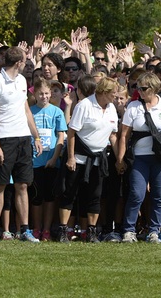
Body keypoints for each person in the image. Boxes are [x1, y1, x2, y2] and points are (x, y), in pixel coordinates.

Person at [0, 47, 43, 243]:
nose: (26, 64)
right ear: (19, 63)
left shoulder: (23, 81)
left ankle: (25, 230)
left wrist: (37, 137)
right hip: (4, 139)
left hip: (23, 139)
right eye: (25, 61)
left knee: (22, 185)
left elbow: (25, 110)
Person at [115, 72, 161, 243]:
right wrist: (120, 158)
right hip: (139, 157)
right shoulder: (133, 107)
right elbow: (124, 135)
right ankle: (129, 230)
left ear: (153, 88)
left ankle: (154, 231)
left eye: (143, 88)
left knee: (159, 195)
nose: (140, 91)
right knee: (137, 193)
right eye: (138, 88)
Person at [56, 77, 120, 243]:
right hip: (79, 157)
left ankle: (91, 231)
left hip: (98, 159)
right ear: (104, 92)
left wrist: (120, 158)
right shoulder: (84, 105)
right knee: (69, 192)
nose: (116, 95)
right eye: (113, 92)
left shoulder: (112, 108)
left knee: (95, 195)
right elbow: (71, 133)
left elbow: (113, 136)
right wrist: (70, 157)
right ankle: (63, 230)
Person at [29, 79, 68, 242]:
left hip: (52, 160)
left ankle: (46, 229)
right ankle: (36, 228)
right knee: (36, 196)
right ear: (34, 94)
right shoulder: (29, 111)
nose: (44, 96)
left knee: (50, 197)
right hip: (34, 160)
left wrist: (54, 157)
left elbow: (61, 135)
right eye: (40, 93)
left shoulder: (57, 111)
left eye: (46, 93)